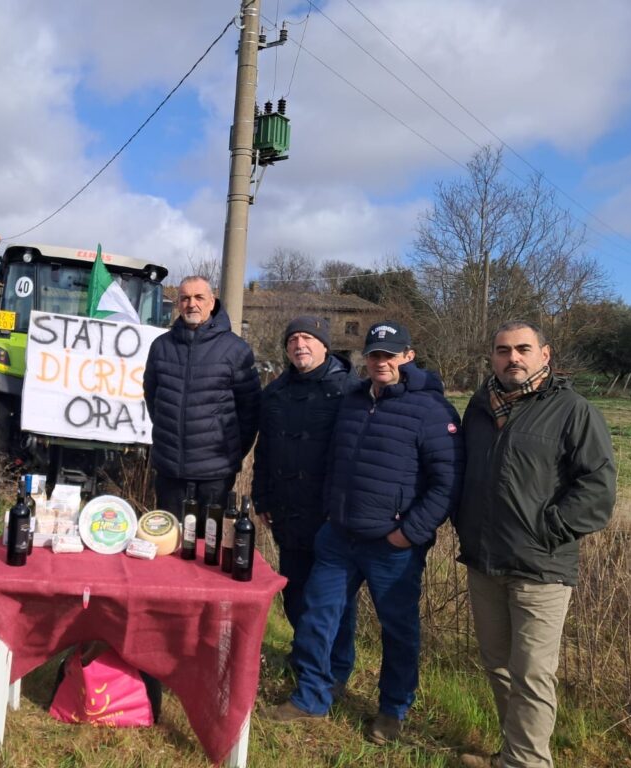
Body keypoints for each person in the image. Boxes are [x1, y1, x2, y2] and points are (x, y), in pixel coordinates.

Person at [266, 320, 464, 746]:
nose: (382, 362)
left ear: (408, 357)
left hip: (392, 546)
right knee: (318, 617)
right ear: (365, 358)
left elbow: (447, 483)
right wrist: (330, 514)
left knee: (398, 629)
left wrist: (408, 533)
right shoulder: (352, 400)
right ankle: (313, 695)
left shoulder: (431, 410)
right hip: (339, 536)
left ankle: (392, 711)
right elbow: (334, 461)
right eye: (375, 354)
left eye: (390, 355)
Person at [455, 321, 616, 768]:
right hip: (484, 562)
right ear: (492, 358)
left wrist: (547, 529)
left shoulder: (572, 410)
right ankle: (513, 754)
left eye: (523, 349)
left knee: (532, 674)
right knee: (499, 666)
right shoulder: (480, 407)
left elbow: (598, 489)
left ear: (545, 355)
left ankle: (528, 763)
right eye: (503, 350)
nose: (513, 358)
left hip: (540, 568)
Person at [252, 316, 358, 677]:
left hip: (331, 514)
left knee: (333, 600)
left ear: (325, 345)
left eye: (308, 338)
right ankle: (305, 659)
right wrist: (261, 497)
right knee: (294, 593)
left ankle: (337, 669)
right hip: (287, 509)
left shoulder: (350, 390)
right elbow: (264, 449)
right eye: (293, 339)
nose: (300, 345)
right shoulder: (275, 392)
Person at [143, 275, 260, 514]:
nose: (191, 304)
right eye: (185, 298)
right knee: (169, 542)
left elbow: (250, 410)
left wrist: (230, 452)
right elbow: (153, 398)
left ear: (211, 302)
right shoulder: (161, 347)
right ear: (178, 304)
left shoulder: (236, 349)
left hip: (215, 475)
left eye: (199, 297)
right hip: (169, 470)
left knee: (210, 545)